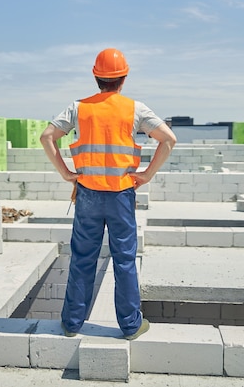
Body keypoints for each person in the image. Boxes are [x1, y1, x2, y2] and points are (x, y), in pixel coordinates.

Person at [40, 48, 176, 340]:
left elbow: (46, 136)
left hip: (87, 194)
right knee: (124, 259)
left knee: (82, 258)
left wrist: (66, 174)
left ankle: (72, 323)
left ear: (96, 76)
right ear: (123, 79)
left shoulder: (78, 108)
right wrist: (147, 175)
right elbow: (169, 139)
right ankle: (130, 325)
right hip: (121, 195)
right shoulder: (135, 109)